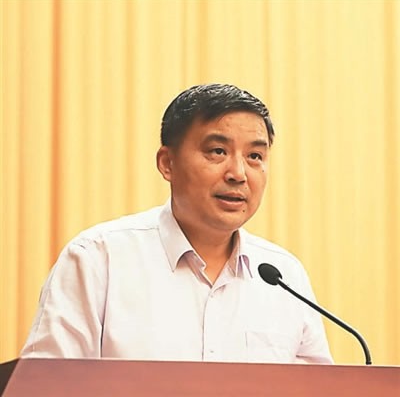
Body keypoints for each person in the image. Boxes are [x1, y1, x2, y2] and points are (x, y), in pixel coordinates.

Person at [21, 84, 332, 363]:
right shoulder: (98, 259)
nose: (238, 173)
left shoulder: (284, 276)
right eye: (218, 151)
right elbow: (44, 385)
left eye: (254, 156)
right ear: (167, 163)